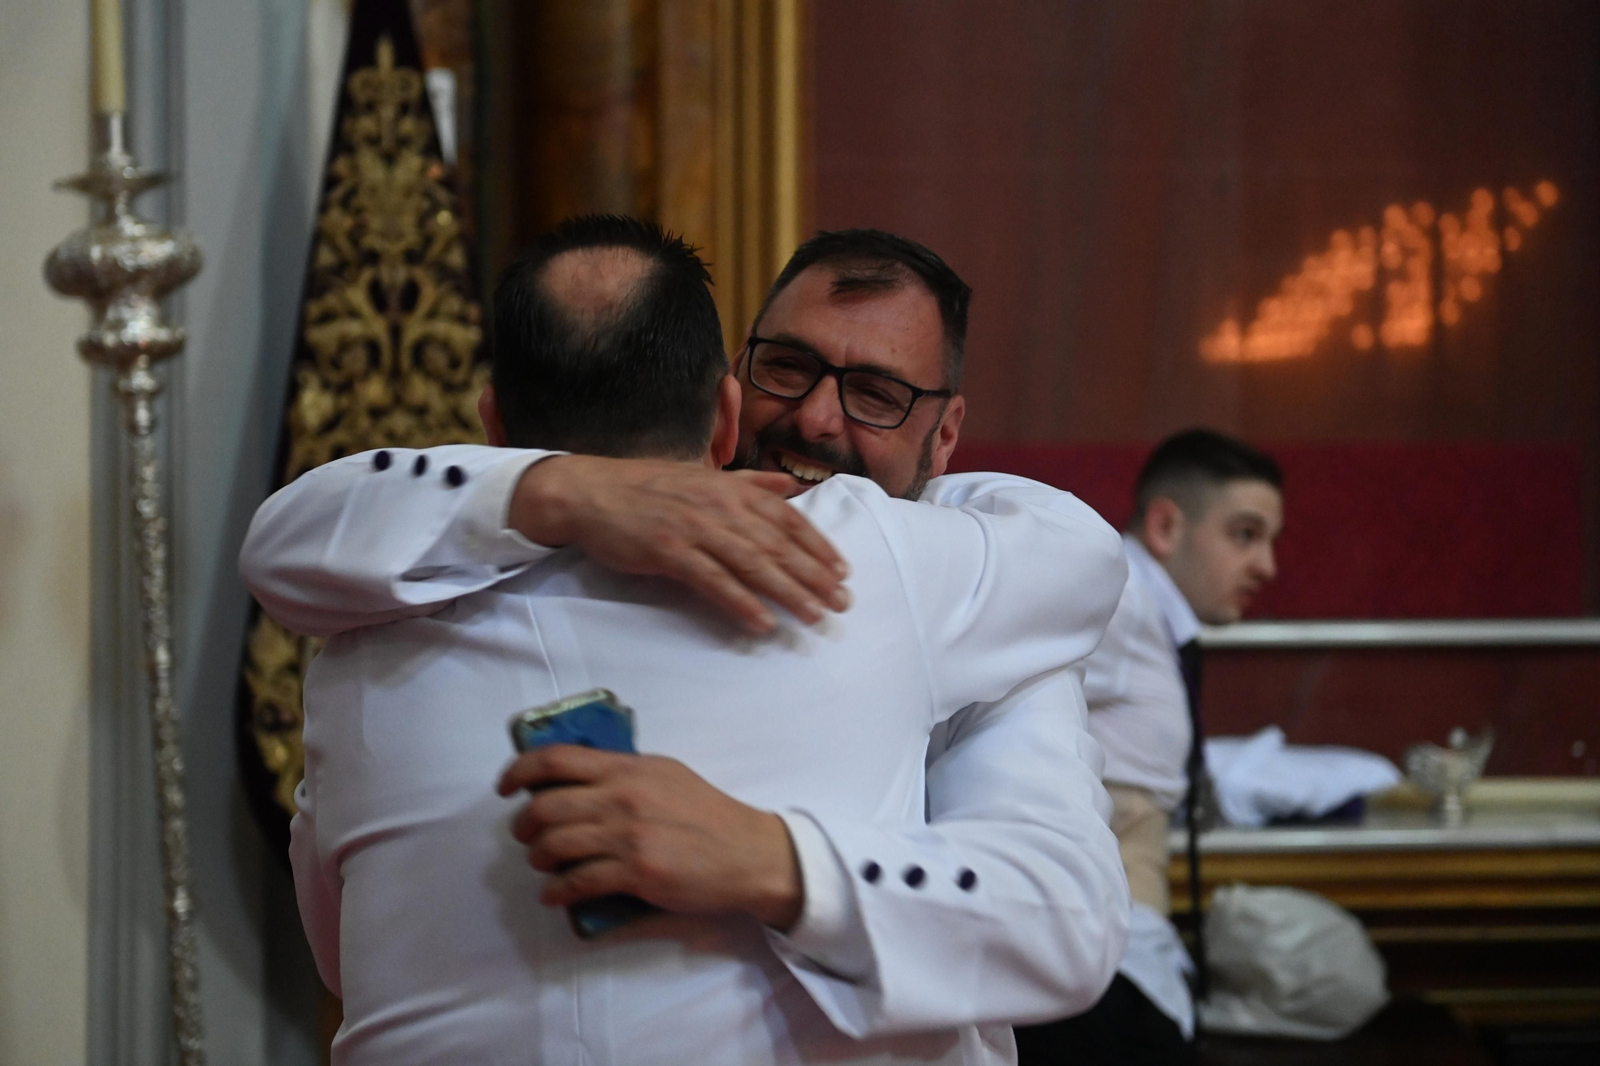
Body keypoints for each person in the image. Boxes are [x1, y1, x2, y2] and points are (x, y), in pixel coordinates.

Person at [242, 216, 1131, 1065]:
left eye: (876, 395)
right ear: (730, 403)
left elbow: (1063, 923)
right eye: (790, 367)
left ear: (945, 438)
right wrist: (558, 495)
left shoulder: (915, 573)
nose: (819, 419)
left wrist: (775, 861)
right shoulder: (382, 586)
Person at [1014, 427, 1284, 1066]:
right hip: (1087, 957)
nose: (1267, 566)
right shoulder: (1121, 594)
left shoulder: (1150, 613)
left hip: (1111, 944)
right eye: (1245, 535)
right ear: (1166, 527)